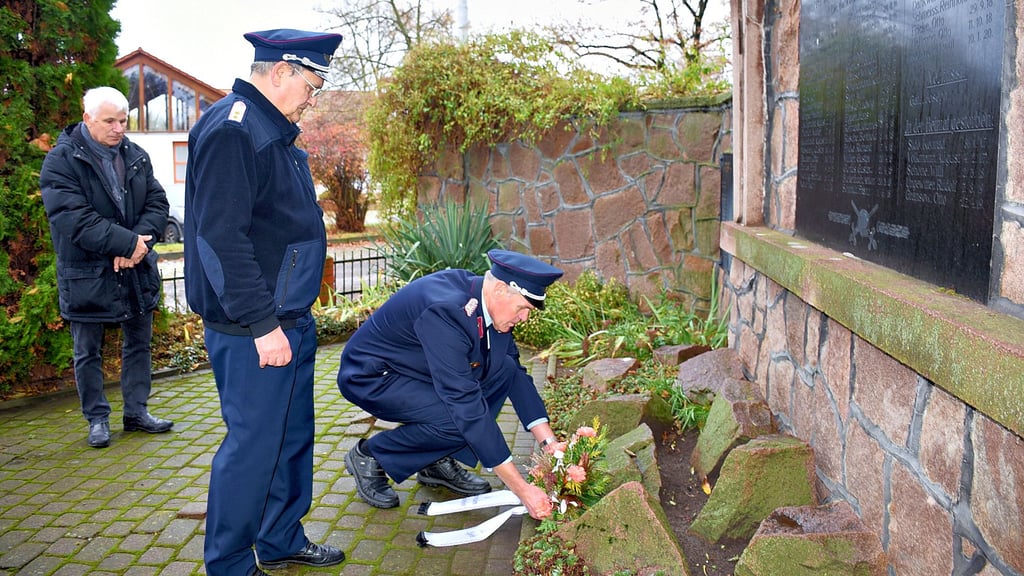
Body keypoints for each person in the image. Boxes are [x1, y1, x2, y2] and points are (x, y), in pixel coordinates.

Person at [183, 29, 345, 576]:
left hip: (287, 321)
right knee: (252, 450)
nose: (313, 95)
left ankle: (280, 539)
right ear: (280, 71)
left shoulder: (270, 130)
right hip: (255, 330)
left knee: (291, 440)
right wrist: (260, 324)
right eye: (311, 83)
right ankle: (229, 563)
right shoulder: (236, 130)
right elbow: (220, 238)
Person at [338, 249, 565, 521]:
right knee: (457, 420)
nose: (524, 318)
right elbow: (465, 406)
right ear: (502, 289)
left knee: (502, 369)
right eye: (523, 308)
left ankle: (433, 461)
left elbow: (514, 372)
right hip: (373, 376)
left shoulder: (487, 301)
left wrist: (549, 442)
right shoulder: (447, 311)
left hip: (416, 370)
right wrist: (522, 490)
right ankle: (370, 456)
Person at [40, 86, 174, 449]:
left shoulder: (136, 155)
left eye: (123, 120)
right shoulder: (61, 160)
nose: (119, 128)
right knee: (88, 350)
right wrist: (126, 243)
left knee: (138, 344)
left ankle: (136, 412)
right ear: (87, 119)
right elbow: (73, 218)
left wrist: (137, 244)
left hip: (135, 269)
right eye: (110, 121)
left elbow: (158, 203)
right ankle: (97, 419)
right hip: (86, 273)